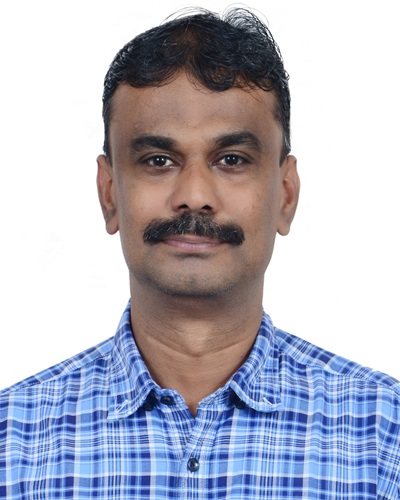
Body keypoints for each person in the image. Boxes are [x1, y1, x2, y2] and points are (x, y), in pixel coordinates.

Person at [0, 6, 399, 499]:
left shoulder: (385, 437)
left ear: (285, 195)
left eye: (231, 159)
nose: (194, 195)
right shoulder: (11, 442)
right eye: (158, 160)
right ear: (109, 195)